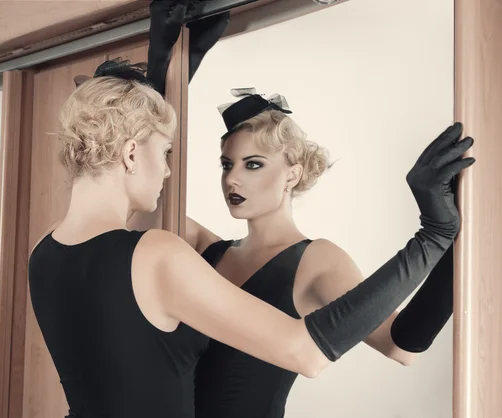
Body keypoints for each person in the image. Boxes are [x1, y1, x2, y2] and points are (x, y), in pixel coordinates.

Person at [180, 88, 462, 418]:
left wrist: (449, 237)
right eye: (227, 165)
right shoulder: (200, 248)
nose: (233, 179)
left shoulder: (314, 261)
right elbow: (128, 196)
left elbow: (400, 346)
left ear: (292, 174)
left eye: (253, 164)